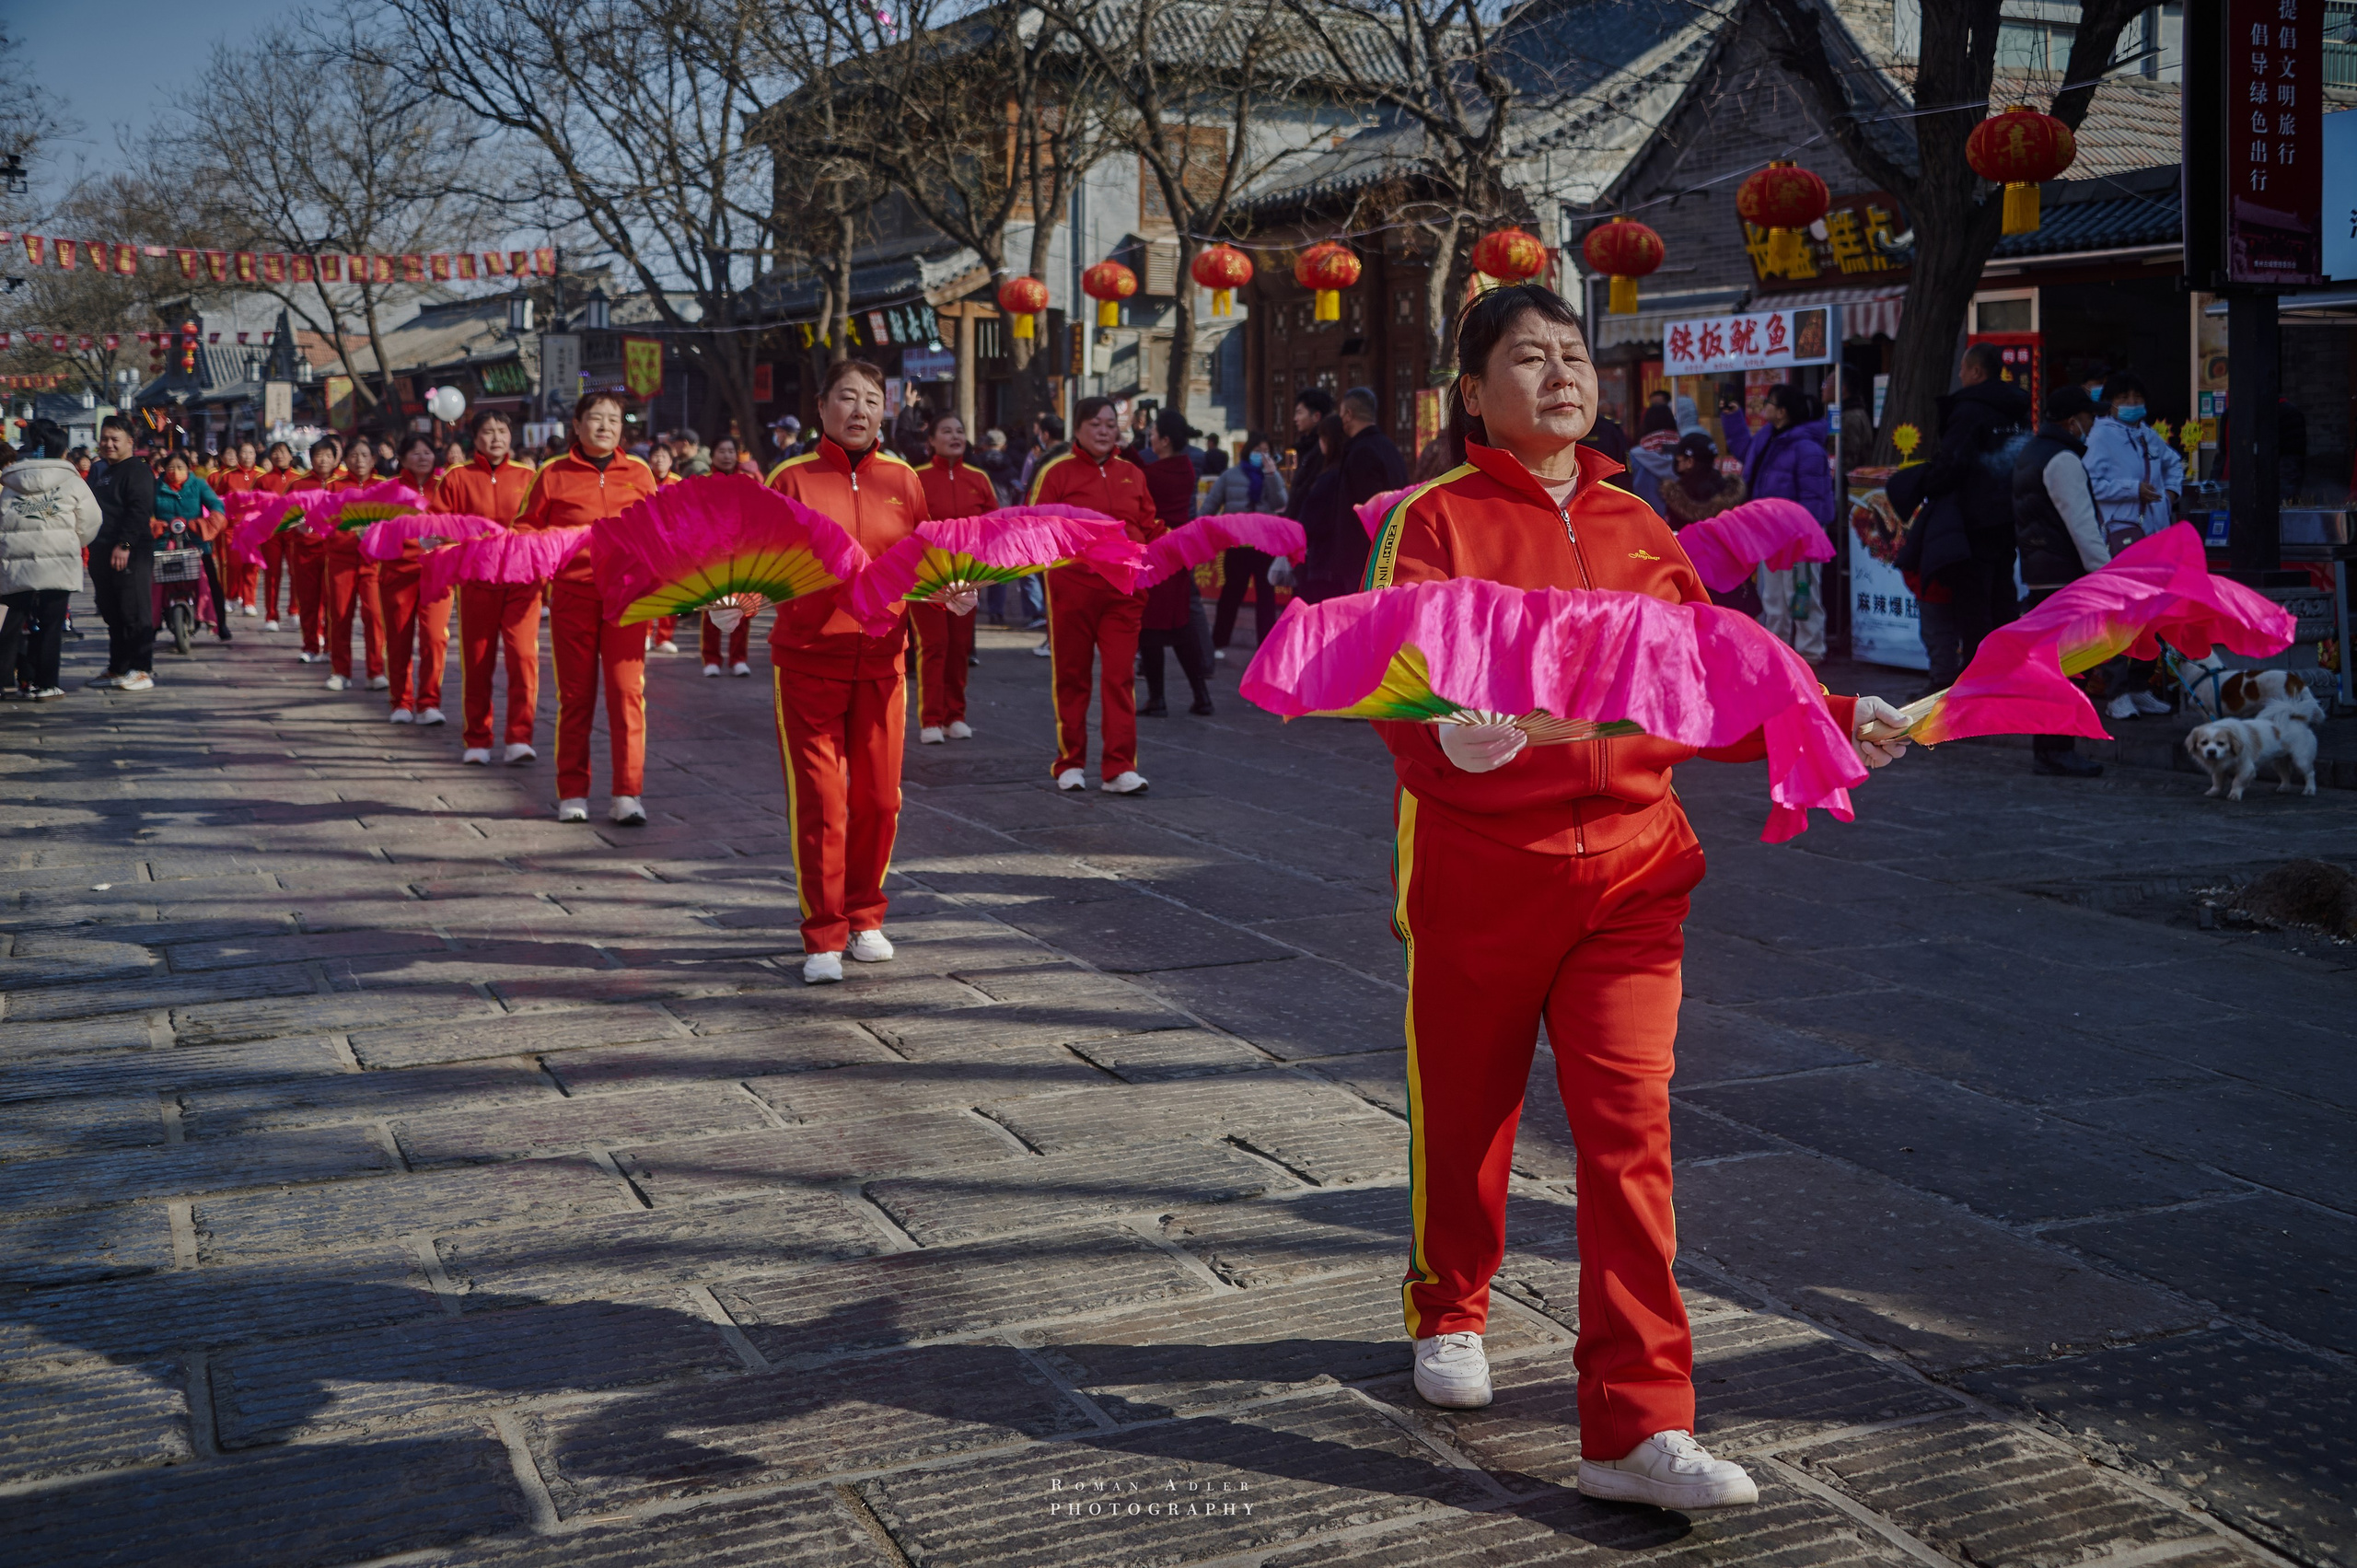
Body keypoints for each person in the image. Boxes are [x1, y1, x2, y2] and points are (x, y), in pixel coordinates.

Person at [1362, 282, 1909, 1513]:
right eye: (1527, 355)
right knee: (1468, 1112)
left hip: (1633, 876)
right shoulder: (1431, 522)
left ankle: (1636, 1423)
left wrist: (1828, 720)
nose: (1560, 373)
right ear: (1472, 392)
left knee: (1630, 1144)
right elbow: (1391, 683)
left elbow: (1709, 680)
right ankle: (1450, 1303)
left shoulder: (1639, 525)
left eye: (1574, 354)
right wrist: (1447, 740)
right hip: (1479, 874)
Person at [769, 359, 942, 983]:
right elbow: (759, 561)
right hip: (809, 659)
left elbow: (921, 561)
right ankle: (822, 932)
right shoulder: (790, 478)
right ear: (822, 407)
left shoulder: (904, 479)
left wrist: (950, 592)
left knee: (878, 797)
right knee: (820, 799)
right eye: (847, 397)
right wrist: (737, 609)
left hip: (884, 660)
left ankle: (867, 915)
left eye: (872, 399)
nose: (861, 410)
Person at [515, 393, 660, 823]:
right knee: (576, 697)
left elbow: (663, 526)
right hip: (573, 597)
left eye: (613, 419)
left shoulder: (639, 472)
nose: (604, 426)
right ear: (576, 426)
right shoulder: (552, 473)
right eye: (594, 418)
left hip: (629, 600)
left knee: (626, 694)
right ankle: (573, 792)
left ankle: (627, 794)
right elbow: (527, 527)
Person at [1028, 395, 1162, 792]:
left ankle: (1119, 767)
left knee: (1119, 677)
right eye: (1095, 424)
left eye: (1110, 424)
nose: (1105, 431)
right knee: (1072, 675)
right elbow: (1034, 526)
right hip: (1073, 589)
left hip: (1124, 592)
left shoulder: (1133, 474)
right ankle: (1070, 762)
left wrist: (1166, 550)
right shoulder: (1057, 473)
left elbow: (1150, 524)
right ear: (1077, 430)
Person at [1918, 342, 2032, 692]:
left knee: (1974, 605)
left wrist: (1922, 483)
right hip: (2008, 517)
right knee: (2002, 598)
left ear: (1978, 372)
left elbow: (1952, 463)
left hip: (1970, 522)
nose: (1960, 375)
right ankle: (2006, 675)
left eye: (1964, 369)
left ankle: (1976, 683)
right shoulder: (2016, 408)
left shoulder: (1969, 410)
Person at [2014, 384, 2112, 777]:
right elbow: (2082, 527)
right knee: (2068, 670)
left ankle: (2050, 749)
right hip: (2063, 578)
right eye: (2088, 417)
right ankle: (2057, 749)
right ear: (2072, 421)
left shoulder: (2030, 454)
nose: (2091, 424)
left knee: (2052, 670)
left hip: (2039, 577)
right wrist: (2107, 575)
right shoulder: (2063, 460)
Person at [442, 412, 540, 766]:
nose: (496, 437)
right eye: (488, 431)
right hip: (477, 581)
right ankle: (478, 738)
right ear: (475, 438)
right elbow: (440, 526)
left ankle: (519, 737)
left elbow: (545, 525)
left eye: (502, 430)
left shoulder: (531, 477)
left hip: (523, 582)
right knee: (478, 660)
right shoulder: (457, 478)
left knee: (523, 658)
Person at [2082, 373, 2181, 721]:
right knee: (2122, 617)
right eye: (2124, 398)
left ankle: (2140, 687)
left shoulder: (2147, 435)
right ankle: (2116, 691)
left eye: (2137, 397)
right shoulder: (2100, 437)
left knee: (2150, 616)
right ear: (2110, 402)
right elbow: (2092, 484)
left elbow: (2173, 465)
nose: (2132, 404)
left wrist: (2171, 494)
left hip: (2155, 536)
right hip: (2123, 535)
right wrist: (2132, 489)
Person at [1720, 385, 1834, 661]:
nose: (1763, 407)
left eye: (1768, 402)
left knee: (1803, 594)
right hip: (1769, 533)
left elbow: (1815, 498)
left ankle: (1810, 653)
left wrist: (1805, 537)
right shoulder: (1768, 436)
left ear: (1782, 411)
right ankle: (1777, 650)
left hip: (1798, 536)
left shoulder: (1807, 448)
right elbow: (1745, 452)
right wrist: (1733, 419)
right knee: (1772, 595)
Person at [0, 417, 101, 700]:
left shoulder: (11, 482)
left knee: (11, 623)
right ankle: (45, 684)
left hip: (15, 566)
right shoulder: (71, 481)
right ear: (64, 452)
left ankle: (7, 679)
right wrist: (70, 541)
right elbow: (91, 521)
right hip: (58, 565)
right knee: (51, 625)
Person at [911, 411, 997, 741]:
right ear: (931, 440)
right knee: (934, 645)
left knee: (960, 646)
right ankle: (931, 720)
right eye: (946, 431)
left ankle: (955, 715)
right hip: (926, 578)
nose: (955, 436)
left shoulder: (979, 478)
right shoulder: (915, 477)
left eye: (959, 431)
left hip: (967, 577)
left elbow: (994, 525)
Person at [1137, 409, 1214, 717]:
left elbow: (1141, 473)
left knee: (1151, 626)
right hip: (1176, 556)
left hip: (1161, 556)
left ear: (1165, 440)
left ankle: (1158, 699)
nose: (1150, 437)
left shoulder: (1165, 472)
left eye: (1153, 433)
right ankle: (1201, 696)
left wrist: (1120, 447)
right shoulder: (1183, 466)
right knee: (1179, 625)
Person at [1305, 387, 1407, 601]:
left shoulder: (1362, 453)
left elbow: (1368, 512)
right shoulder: (1389, 448)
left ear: (1348, 415)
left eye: (1342, 414)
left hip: (1364, 560)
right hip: (1389, 552)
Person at [380, 435, 453, 726]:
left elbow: (458, 524)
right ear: (402, 457)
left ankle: (429, 702)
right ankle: (401, 702)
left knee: (435, 638)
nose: (423, 457)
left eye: (427, 452)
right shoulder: (388, 490)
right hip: (398, 573)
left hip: (438, 574)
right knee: (399, 639)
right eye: (415, 452)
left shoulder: (446, 489)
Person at [85, 416, 159, 691]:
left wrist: (125, 544)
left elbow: (139, 510)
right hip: (102, 549)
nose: (108, 444)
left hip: (131, 551)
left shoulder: (137, 471)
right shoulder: (103, 471)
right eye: (105, 439)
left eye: (115, 439)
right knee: (112, 611)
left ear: (131, 441)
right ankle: (118, 667)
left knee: (134, 611)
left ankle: (142, 668)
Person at [318, 435, 391, 692]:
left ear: (374, 459)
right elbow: (324, 523)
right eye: (353, 456)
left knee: (374, 616)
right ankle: (340, 671)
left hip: (374, 562)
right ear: (345, 460)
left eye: (365, 455)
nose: (359, 461)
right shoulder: (333, 487)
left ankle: (375, 671)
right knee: (339, 615)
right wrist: (351, 531)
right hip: (341, 560)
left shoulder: (385, 486)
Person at [1207, 432, 1289, 656]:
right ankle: (1218, 643)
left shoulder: (1272, 476)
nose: (1261, 456)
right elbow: (1210, 505)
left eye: (1266, 451)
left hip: (1265, 547)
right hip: (1237, 546)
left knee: (1266, 597)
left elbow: (1281, 503)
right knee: (1231, 594)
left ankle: (1266, 646)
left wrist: (1271, 476)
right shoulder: (1230, 476)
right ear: (1247, 451)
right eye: (1257, 451)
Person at [150, 451, 233, 643]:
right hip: (164, 542)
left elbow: (215, 505)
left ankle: (221, 624)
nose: (175, 472)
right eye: (171, 467)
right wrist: (154, 525)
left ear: (188, 468)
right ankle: (151, 624)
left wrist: (210, 522)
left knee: (212, 582)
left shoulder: (199, 485)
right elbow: (145, 510)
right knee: (152, 582)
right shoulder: (156, 487)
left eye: (180, 467)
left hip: (195, 542)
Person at [284, 436, 345, 665]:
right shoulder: (298, 485)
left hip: (335, 551)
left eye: (328, 456)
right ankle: (310, 645)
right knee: (308, 601)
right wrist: (296, 526)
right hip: (305, 550)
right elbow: (284, 515)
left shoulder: (342, 483)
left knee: (333, 601)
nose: (323, 460)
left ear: (335, 458)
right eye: (318, 456)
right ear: (311, 459)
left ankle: (330, 646)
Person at [1016, 412, 1066, 636]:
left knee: (1051, 587)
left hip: (1047, 532)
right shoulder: (1073, 457)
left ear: (1045, 435)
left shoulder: (1045, 462)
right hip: (1067, 532)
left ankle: (1053, 635)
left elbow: (1033, 496)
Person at [1292, 416, 1351, 605]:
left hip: (1324, 564)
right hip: (1340, 564)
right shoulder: (1347, 471)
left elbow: (1309, 522)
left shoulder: (1329, 477)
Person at [211, 439, 263, 616]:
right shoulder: (226, 476)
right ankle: (231, 597)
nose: (247, 456)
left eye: (250, 453)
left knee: (251, 565)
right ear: (238, 455)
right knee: (232, 564)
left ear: (255, 455)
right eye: (244, 453)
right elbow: (216, 500)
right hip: (232, 527)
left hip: (255, 528)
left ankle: (249, 601)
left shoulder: (261, 475)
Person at [642, 444, 683, 656]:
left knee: (671, 592)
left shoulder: (679, 483)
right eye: (655, 455)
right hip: (647, 544)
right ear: (649, 459)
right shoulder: (642, 480)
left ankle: (665, 636)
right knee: (647, 590)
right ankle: (646, 634)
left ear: (671, 460)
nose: (659, 460)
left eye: (663, 456)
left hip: (672, 547)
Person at [253, 441, 300, 630]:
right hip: (271, 533)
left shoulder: (299, 479)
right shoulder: (263, 480)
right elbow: (255, 505)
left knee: (296, 572)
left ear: (291, 456)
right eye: (275, 452)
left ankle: (294, 610)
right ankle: (271, 615)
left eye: (283, 452)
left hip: (294, 532)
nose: (279, 455)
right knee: (272, 574)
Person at [1284, 388, 1337, 517]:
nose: (1295, 419)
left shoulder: (1322, 448)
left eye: (1299, 413)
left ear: (1316, 416)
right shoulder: (1303, 447)